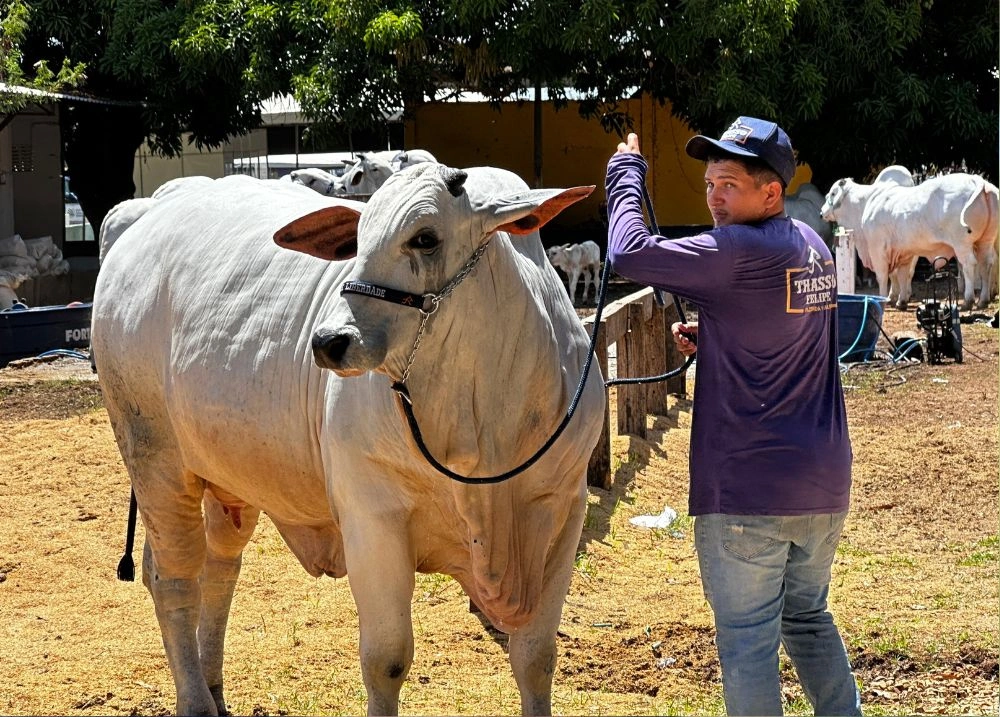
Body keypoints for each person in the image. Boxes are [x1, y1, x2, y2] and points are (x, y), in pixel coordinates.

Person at [604, 117, 861, 717]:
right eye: (710, 183)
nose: (715, 198)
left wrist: (625, 172)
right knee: (808, 617)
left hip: (748, 487)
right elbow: (790, 333)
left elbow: (628, 253)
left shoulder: (739, 250)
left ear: (771, 191)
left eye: (730, 185)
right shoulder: (811, 243)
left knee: (747, 643)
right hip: (821, 482)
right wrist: (718, 338)